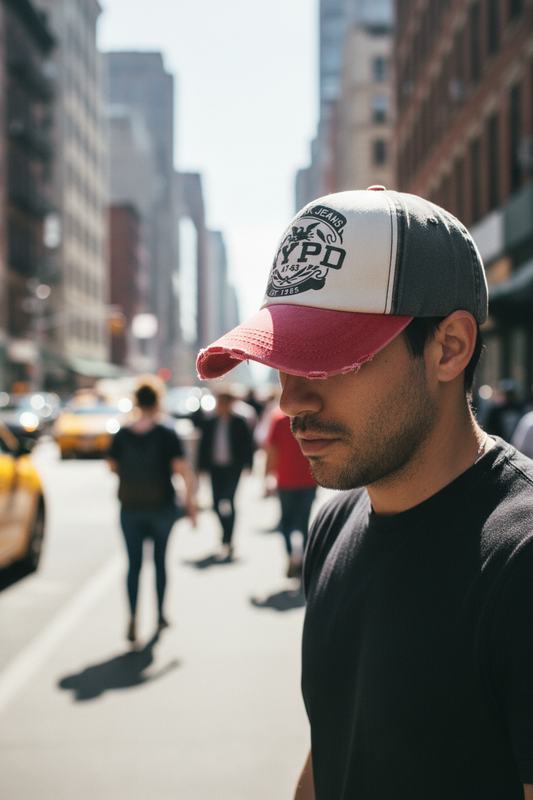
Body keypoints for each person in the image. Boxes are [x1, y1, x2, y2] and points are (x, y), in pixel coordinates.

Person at [196, 187, 533, 799]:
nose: (290, 401)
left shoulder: (522, 562)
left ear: (448, 348)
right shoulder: (337, 522)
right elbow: (337, 747)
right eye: (283, 362)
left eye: (329, 362)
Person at [107, 380, 197, 642]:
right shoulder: (166, 433)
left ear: (136, 401)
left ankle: (133, 616)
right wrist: (191, 507)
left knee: (133, 566)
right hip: (162, 508)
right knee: (160, 563)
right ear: (158, 401)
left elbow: (111, 466)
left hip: (130, 508)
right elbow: (183, 471)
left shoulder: (122, 433)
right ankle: (160, 615)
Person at [197, 388, 254, 560]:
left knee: (228, 500)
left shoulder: (239, 422)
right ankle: (225, 534)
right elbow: (203, 446)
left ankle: (228, 539)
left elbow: (247, 444)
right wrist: (201, 467)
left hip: (233, 468)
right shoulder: (210, 422)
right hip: (215, 468)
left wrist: (249, 464)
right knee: (215, 504)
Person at [265, 406, 317, 577]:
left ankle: (291, 555)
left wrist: (267, 476)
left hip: (286, 480)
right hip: (308, 479)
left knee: (286, 522)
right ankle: (303, 558)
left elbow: (272, 451)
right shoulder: (311, 417)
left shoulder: (279, 419)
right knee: (304, 522)